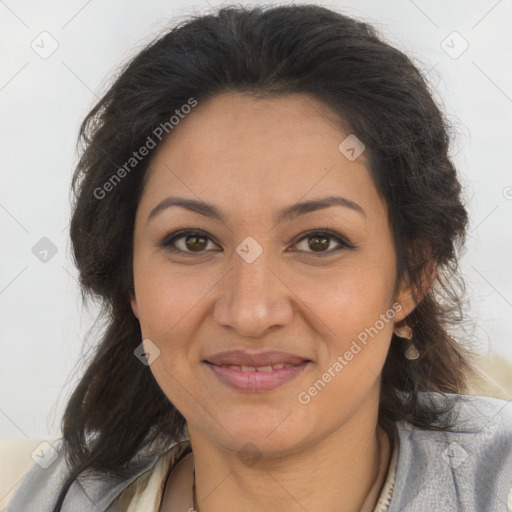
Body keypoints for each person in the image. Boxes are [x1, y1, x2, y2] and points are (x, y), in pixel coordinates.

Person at [6, 4, 512, 512]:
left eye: (319, 241)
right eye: (193, 241)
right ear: (131, 281)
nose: (250, 314)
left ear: (411, 278)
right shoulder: (39, 495)